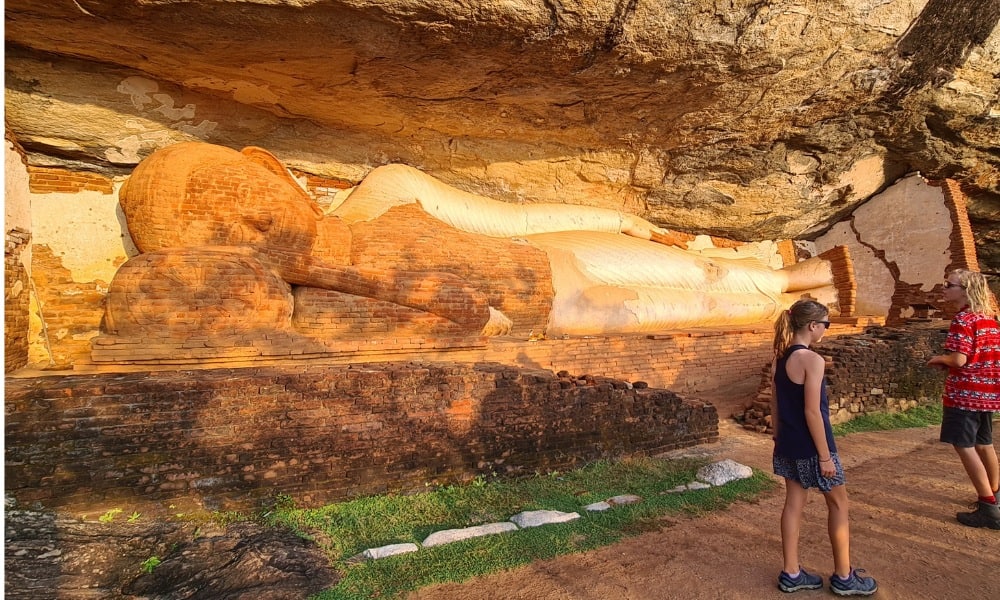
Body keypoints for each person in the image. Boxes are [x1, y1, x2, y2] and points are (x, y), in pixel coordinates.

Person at [771, 299, 877, 595]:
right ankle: (844, 576)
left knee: (793, 504)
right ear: (812, 326)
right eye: (826, 325)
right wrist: (825, 456)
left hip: (788, 444)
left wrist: (778, 438)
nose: (825, 331)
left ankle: (791, 572)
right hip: (813, 446)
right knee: (839, 504)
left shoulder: (779, 358)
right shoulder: (812, 361)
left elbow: (775, 403)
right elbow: (812, 412)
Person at [927, 269, 1000, 530]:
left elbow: (959, 359)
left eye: (950, 285)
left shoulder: (964, 319)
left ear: (965, 290)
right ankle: (995, 495)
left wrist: (939, 359)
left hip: (965, 393)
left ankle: (988, 505)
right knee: (984, 443)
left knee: (964, 445)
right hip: (988, 393)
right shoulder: (989, 319)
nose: (944, 288)